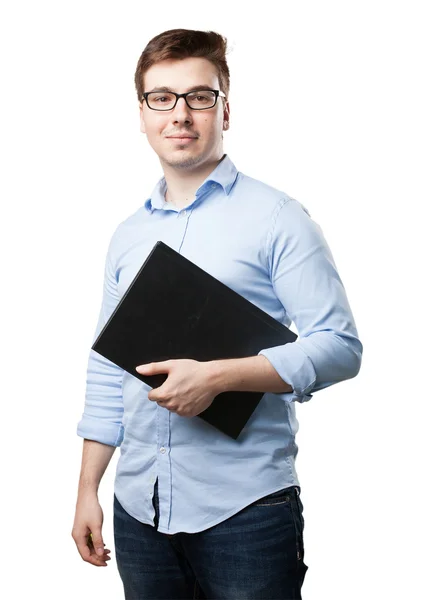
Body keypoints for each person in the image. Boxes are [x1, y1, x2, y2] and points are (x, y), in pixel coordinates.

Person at [72, 28, 363, 599]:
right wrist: (88, 488)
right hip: (139, 510)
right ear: (142, 113)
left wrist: (218, 377)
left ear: (224, 110)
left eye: (198, 97)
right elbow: (109, 367)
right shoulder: (128, 236)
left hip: (245, 513)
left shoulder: (279, 218)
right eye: (162, 98)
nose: (179, 114)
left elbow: (340, 346)